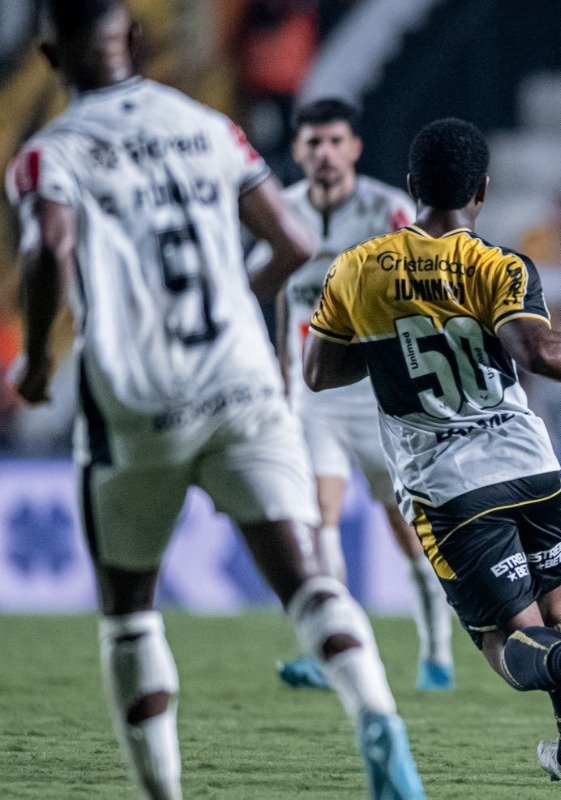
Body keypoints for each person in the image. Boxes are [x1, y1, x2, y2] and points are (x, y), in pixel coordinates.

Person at [4, 3, 424, 799]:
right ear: (130, 42)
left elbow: (48, 249)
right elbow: (296, 242)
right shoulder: (210, 128)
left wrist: (33, 364)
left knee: (130, 613)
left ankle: (162, 789)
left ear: (53, 56)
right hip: (241, 377)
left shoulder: (49, 154)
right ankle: (377, 716)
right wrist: (237, 294)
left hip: (139, 401)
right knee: (308, 580)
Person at [304, 117, 561, 788]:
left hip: (448, 485)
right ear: (482, 190)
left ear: (410, 188)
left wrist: (389, 342)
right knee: (558, 615)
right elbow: (540, 353)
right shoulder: (500, 266)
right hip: (530, 465)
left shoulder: (359, 269)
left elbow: (320, 373)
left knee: (507, 640)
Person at [263, 97, 455, 693]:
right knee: (316, 522)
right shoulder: (279, 213)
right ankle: (336, 652)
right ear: (298, 151)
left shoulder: (387, 211)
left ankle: (437, 656)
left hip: (378, 397)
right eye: (313, 142)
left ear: (354, 148)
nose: (324, 153)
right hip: (311, 399)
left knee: (407, 531)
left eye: (334, 141)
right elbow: (277, 298)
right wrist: (277, 370)